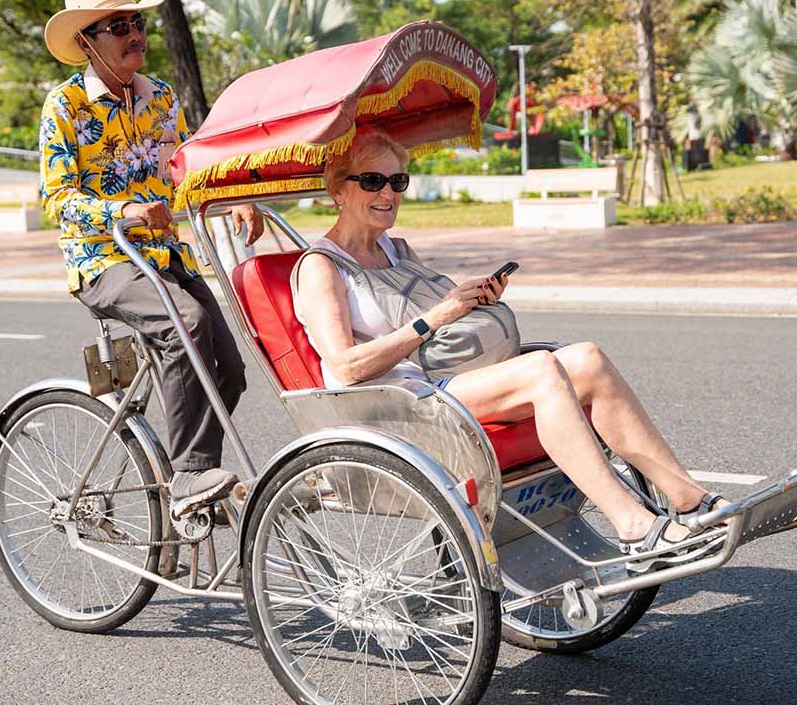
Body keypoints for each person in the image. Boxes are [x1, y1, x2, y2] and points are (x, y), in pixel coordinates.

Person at [293, 127, 729, 559]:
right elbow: (347, 367)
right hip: (397, 405)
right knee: (542, 369)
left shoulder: (394, 249)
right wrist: (437, 316)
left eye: (397, 181)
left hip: (440, 381)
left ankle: (693, 499)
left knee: (587, 359)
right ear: (338, 190)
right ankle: (633, 524)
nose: (388, 192)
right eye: (372, 181)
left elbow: (431, 316)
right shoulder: (322, 266)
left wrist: (469, 302)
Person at [40, 0, 263, 518]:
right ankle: (189, 477)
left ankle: (192, 471)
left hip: (165, 257)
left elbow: (185, 169)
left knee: (232, 369)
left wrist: (232, 195)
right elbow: (57, 199)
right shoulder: (65, 106)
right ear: (87, 42)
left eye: (137, 22)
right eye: (119, 26)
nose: (134, 33)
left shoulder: (160, 97)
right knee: (184, 324)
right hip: (103, 259)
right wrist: (125, 209)